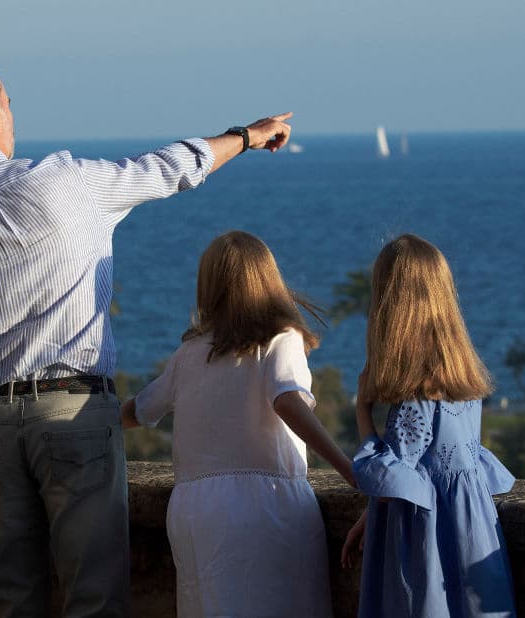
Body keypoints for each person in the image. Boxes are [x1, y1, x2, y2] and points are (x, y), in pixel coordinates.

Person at [0, 59, 293, 617]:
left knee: (10, 601)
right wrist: (246, 137)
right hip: (72, 411)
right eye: (9, 103)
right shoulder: (63, 182)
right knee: (95, 596)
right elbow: (166, 169)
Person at [119, 230, 356, 617]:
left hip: (193, 511)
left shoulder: (189, 353)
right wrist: (348, 468)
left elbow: (138, 411)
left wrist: (79, 423)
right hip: (265, 505)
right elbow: (287, 400)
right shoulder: (281, 339)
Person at [340, 234, 517, 618]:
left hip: (426, 551)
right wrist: (369, 515)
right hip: (472, 541)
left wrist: (363, 412)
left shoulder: (416, 398)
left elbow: (393, 484)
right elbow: (430, 468)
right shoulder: (463, 385)